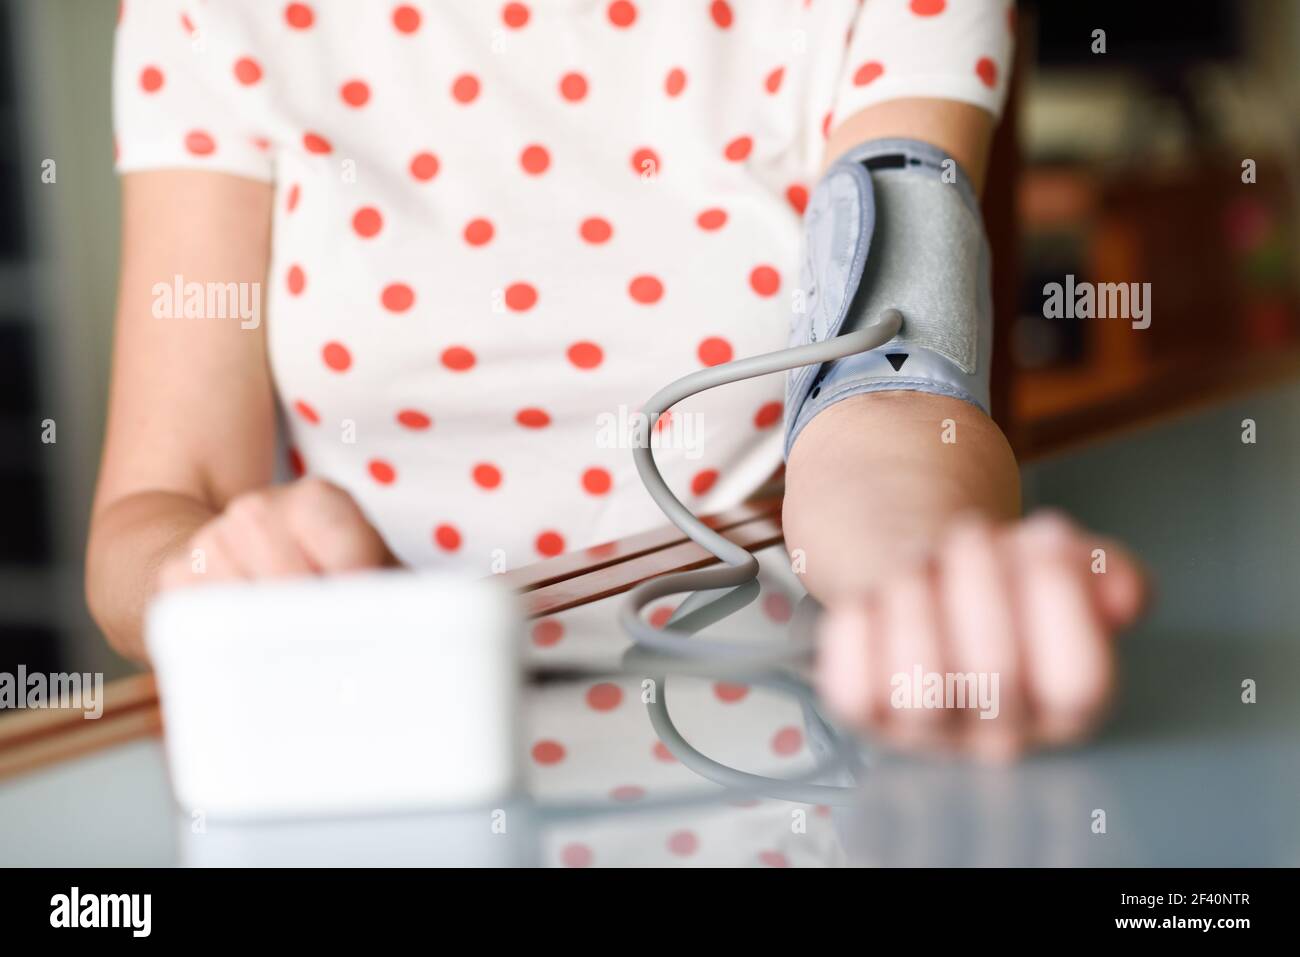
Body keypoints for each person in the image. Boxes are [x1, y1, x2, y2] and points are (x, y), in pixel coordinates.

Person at [88, 0, 1145, 759]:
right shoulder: (208, 17)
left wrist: (923, 582)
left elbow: (887, 388)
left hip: (783, 753)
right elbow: (156, 505)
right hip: (397, 765)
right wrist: (213, 577)